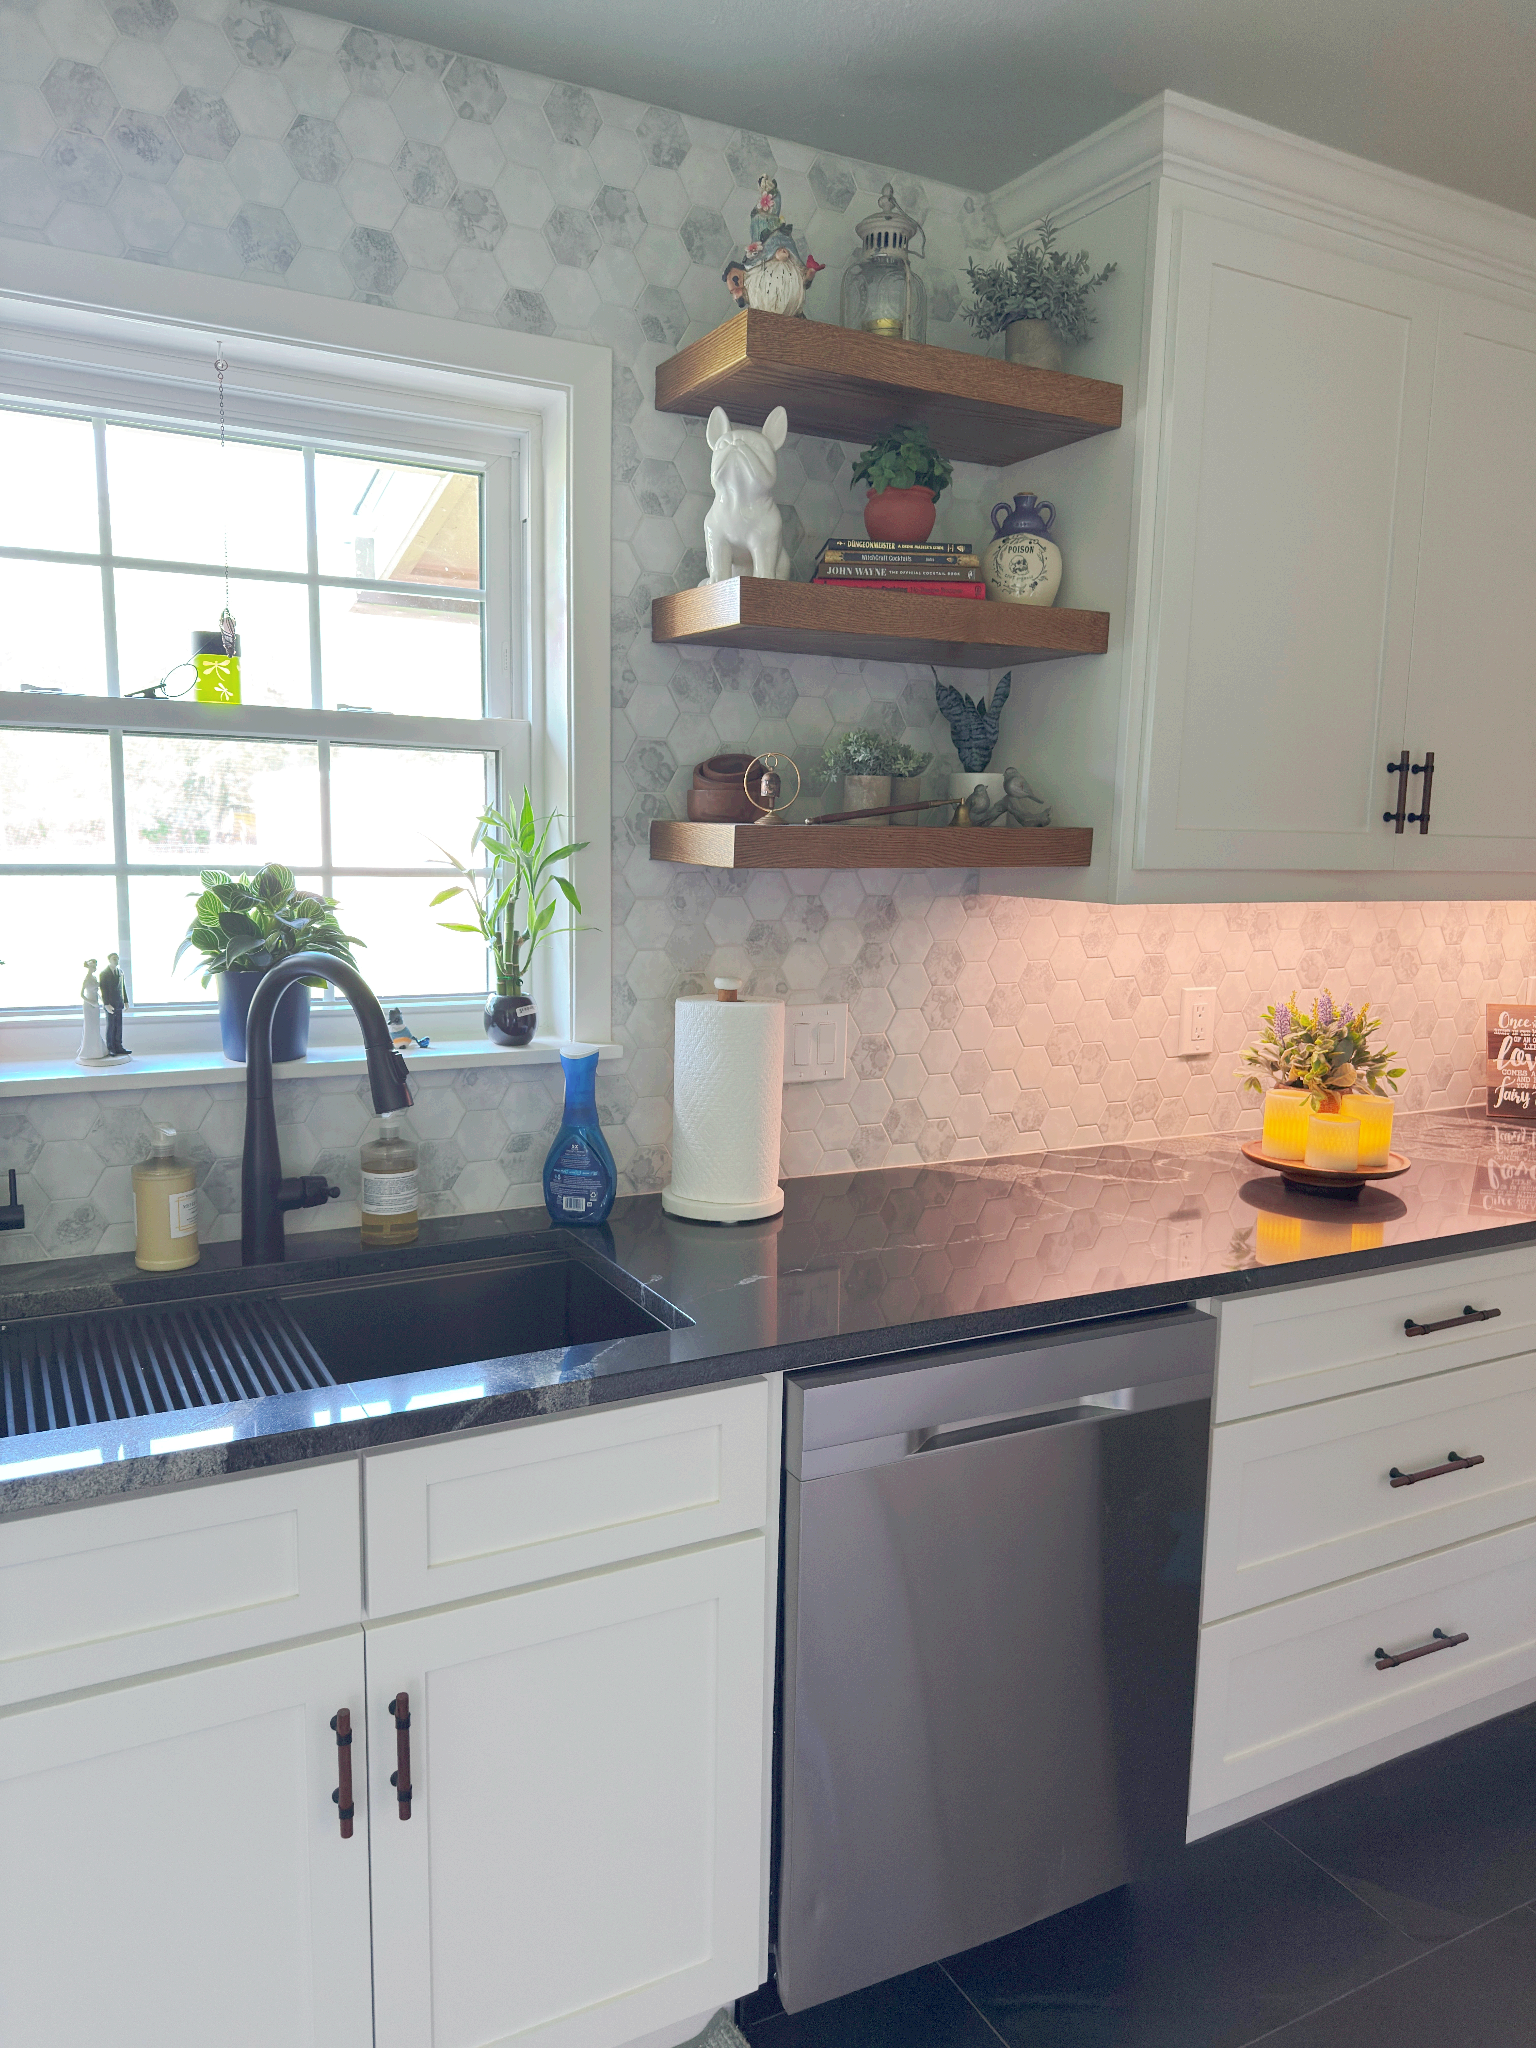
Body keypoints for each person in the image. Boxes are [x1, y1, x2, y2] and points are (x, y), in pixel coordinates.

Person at [99, 951, 131, 1058]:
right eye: (114, 958)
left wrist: (126, 1001)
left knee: (119, 1026)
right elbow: (103, 990)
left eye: (117, 958)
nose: (116, 960)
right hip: (110, 1004)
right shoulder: (104, 973)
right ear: (109, 960)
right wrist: (106, 1003)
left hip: (119, 1003)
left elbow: (123, 988)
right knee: (111, 1026)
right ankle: (111, 1047)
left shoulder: (120, 972)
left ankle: (119, 1046)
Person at [77, 958, 105, 1064]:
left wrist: (102, 1000)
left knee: (96, 1026)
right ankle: (89, 1051)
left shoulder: (93, 977)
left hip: (96, 1004)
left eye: (95, 966)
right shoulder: (87, 979)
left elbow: (96, 991)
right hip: (89, 1005)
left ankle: (98, 1049)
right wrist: (91, 1002)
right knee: (90, 1026)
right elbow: (81, 994)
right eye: (93, 966)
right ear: (89, 967)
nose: (95, 968)